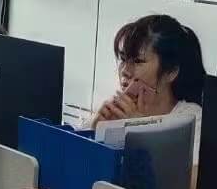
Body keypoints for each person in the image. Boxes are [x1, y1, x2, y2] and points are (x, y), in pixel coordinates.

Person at [87, 14, 206, 160]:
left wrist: (142, 130)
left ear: (171, 72)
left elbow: (190, 175)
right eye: (123, 59)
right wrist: (93, 133)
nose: (125, 71)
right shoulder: (114, 111)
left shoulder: (191, 119)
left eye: (138, 61)